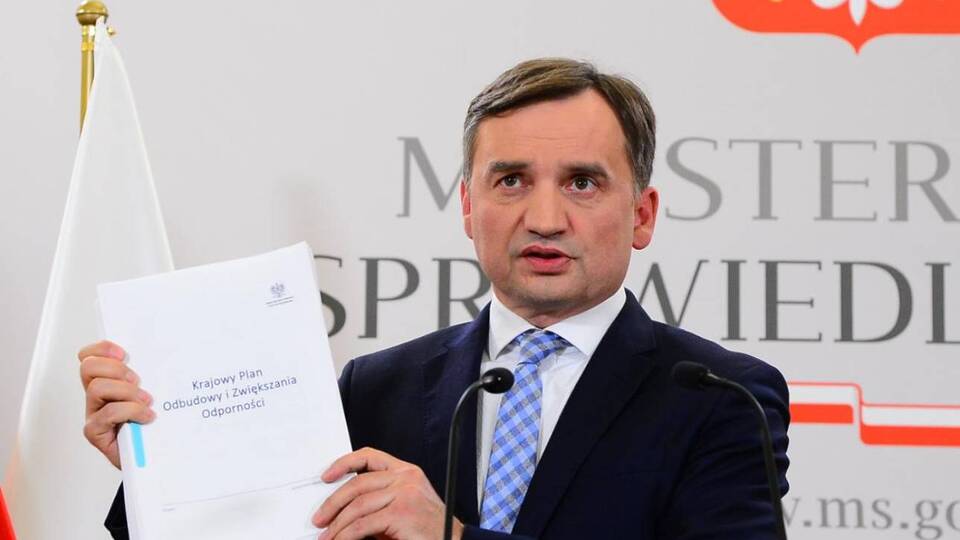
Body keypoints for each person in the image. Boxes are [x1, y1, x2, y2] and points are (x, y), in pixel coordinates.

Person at [79, 58, 789, 540]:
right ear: (468, 208)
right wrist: (159, 463)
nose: (544, 218)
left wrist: (449, 535)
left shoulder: (722, 398)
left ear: (642, 215)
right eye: (511, 181)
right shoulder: (374, 389)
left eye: (582, 182)